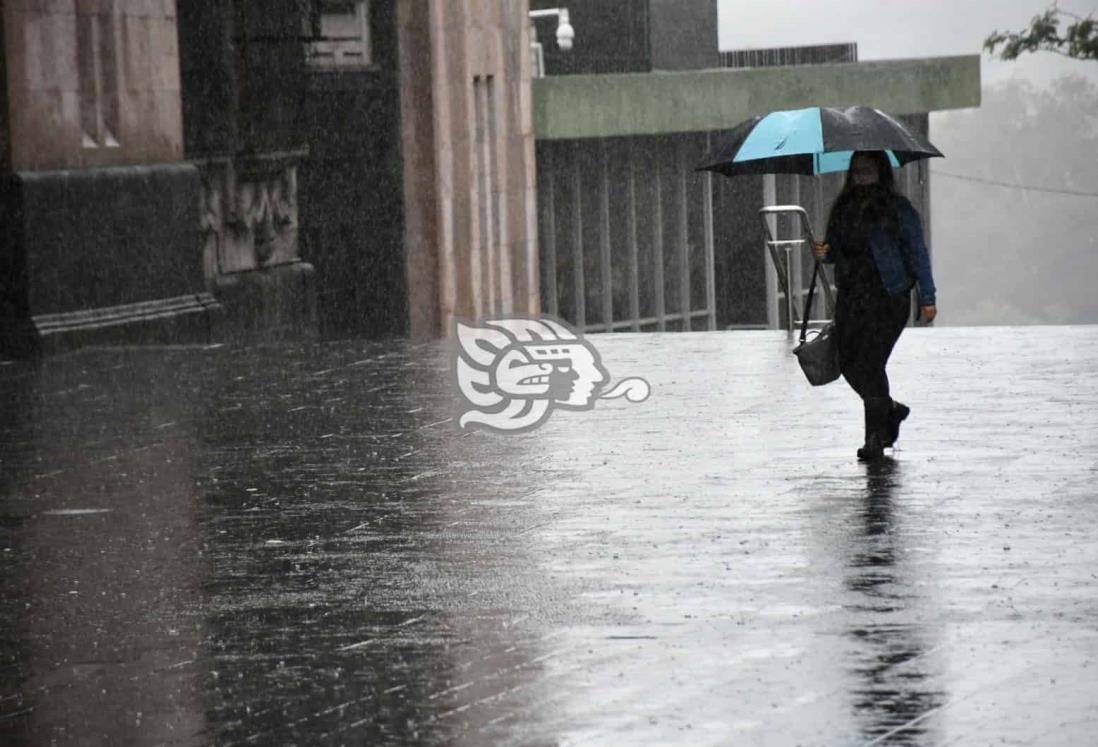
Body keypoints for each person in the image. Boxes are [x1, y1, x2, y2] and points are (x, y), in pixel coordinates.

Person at [811, 150, 937, 461]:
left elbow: (917, 252)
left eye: (868, 170)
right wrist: (824, 252)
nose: (862, 177)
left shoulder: (897, 209)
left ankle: (875, 437)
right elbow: (835, 250)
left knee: (870, 363)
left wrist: (928, 296)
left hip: (888, 297)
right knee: (850, 363)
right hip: (852, 297)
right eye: (857, 171)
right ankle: (889, 410)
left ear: (881, 172)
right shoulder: (843, 209)